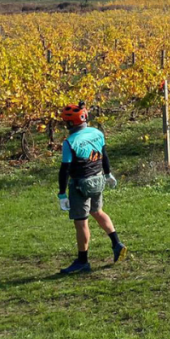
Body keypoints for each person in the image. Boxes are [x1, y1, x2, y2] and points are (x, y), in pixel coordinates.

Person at [56, 103, 127, 274]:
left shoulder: (70, 142)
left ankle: (82, 261)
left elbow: (65, 169)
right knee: (98, 211)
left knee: (81, 222)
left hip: (80, 184)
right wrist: (108, 174)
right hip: (98, 180)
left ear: (70, 123)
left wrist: (62, 194)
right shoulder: (97, 133)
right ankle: (117, 243)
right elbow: (104, 155)